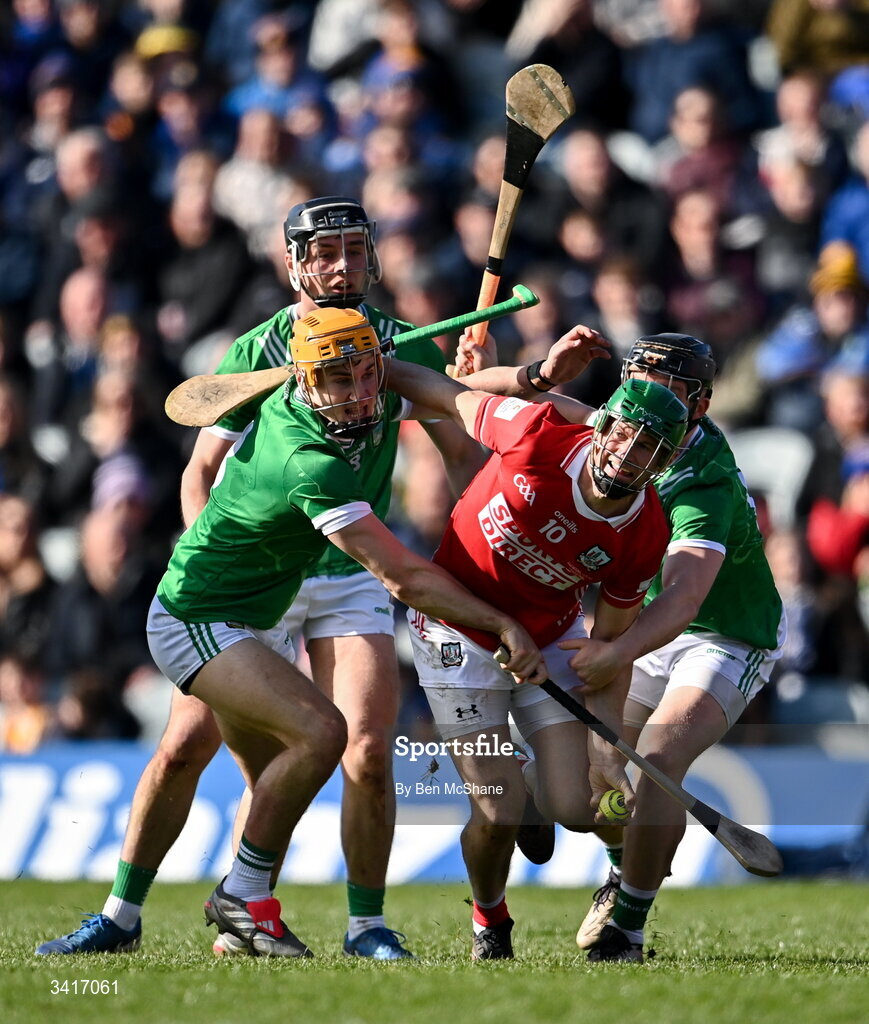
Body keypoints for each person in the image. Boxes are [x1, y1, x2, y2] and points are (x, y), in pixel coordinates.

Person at [35, 195, 482, 961]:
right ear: (294, 264)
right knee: (184, 745)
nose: (341, 265)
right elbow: (201, 470)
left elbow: (465, 464)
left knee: (367, 750)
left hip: (350, 562)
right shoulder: (259, 349)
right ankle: (121, 916)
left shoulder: (408, 345)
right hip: (253, 575)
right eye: (324, 252)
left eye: (353, 248)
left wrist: (474, 392)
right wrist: (215, 563)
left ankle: (365, 924)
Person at [386, 352, 690, 960]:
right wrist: (374, 364)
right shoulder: (535, 431)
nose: (629, 455)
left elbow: (606, 647)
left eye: (651, 449)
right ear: (600, 425)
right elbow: (445, 393)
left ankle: (530, 787)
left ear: (668, 461)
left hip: (545, 642)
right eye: (624, 435)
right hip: (453, 628)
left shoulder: (646, 532)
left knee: (577, 808)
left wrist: (605, 750)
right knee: (495, 815)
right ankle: (490, 921)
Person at [528, 332, 786, 963]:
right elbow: (493, 404)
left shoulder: (705, 479)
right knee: (588, 790)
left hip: (722, 634)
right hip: (637, 623)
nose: (651, 401)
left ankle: (628, 930)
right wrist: (519, 374)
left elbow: (685, 596)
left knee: (659, 759)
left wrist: (617, 653)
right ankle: (624, 868)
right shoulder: (612, 428)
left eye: (671, 390)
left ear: (698, 407)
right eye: (641, 380)